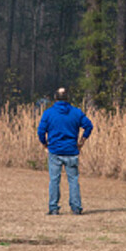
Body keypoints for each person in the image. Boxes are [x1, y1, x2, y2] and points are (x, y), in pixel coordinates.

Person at [37, 87, 93, 215]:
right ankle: (76, 207)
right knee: (73, 180)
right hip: (71, 151)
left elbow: (41, 131)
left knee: (54, 180)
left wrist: (45, 144)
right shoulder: (76, 112)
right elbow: (89, 126)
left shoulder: (48, 113)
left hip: (55, 151)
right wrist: (81, 141)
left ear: (55, 98)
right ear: (68, 98)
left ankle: (53, 207)